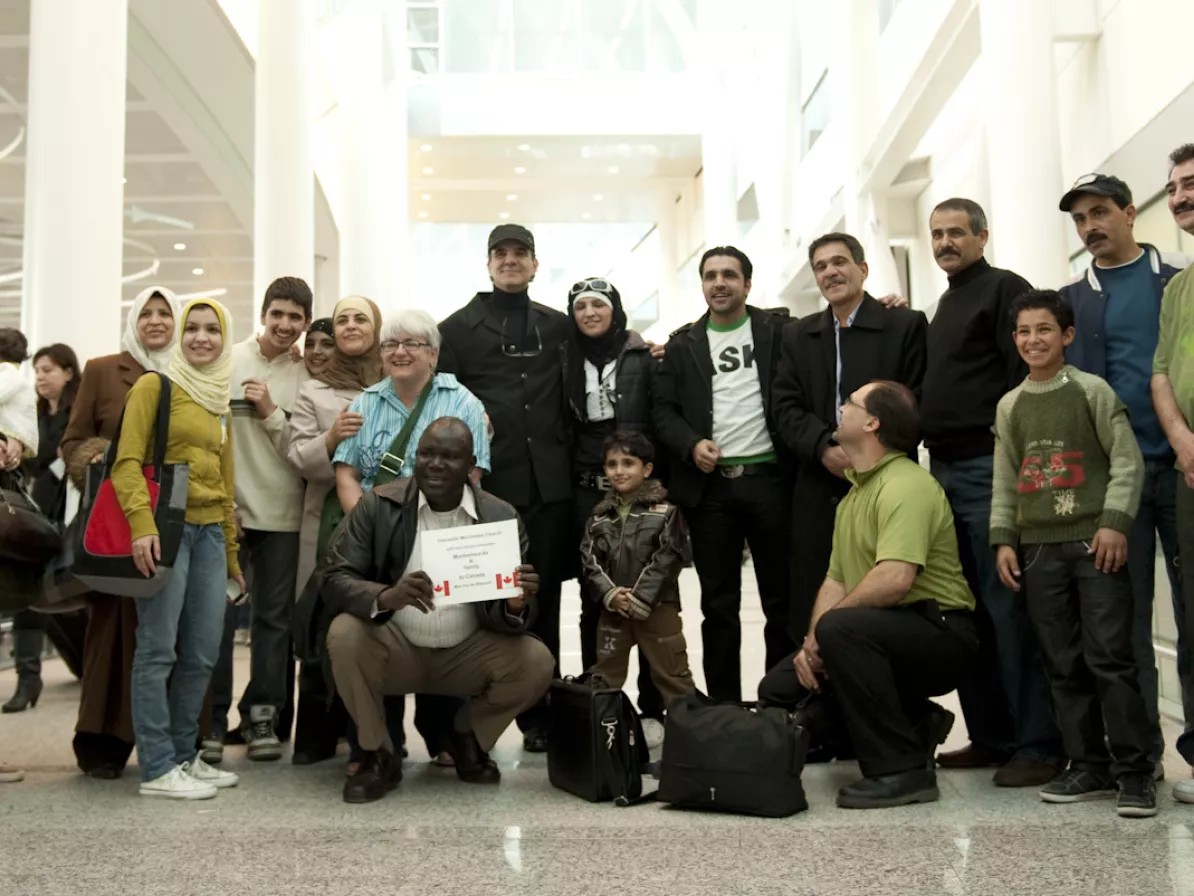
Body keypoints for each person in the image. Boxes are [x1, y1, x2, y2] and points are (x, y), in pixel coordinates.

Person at [304, 417, 554, 803]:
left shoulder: (500, 517)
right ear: (414, 457)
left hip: (464, 654)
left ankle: (467, 737)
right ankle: (378, 753)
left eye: (449, 456)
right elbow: (334, 576)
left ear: (471, 465)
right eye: (427, 454)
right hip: (395, 648)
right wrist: (387, 595)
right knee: (345, 633)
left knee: (535, 660)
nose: (435, 464)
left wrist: (516, 605)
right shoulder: (378, 504)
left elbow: (510, 613)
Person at [757, 381, 977, 809]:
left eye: (850, 404)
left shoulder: (905, 485)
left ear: (872, 422)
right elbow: (835, 580)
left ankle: (902, 770)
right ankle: (915, 724)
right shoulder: (854, 495)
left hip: (943, 633)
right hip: (885, 630)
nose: (840, 408)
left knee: (841, 628)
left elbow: (895, 579)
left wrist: (827, 631)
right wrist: (810, 645)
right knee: (780, 687)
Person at [917, 198, 1065, 787]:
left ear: (983, 236)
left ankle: (1039, 744)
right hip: (944, 471)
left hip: (988, 468)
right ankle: (990, 734)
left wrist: (1015, 474)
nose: (946, 242)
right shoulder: (947, 302)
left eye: (957, 232)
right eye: (937, 234)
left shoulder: (1006, 289)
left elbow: (1020, 381)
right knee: (964, 608)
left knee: (1009, 611)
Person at [992, 289, 1155, 818]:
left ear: (1066, 336)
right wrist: (1004, 539)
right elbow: (1005, 479)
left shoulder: (1092, 391)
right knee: (1061, 663)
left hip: (1095, 547)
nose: (1032, 340)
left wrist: (1113, 524)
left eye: (1044, 330)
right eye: (1023, 331)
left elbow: (1127, 463)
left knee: (1109, 657)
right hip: (1039, 550)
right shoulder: (1011, 405)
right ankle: (1088, 765)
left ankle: (1134, 771)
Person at [1059, 173, 1191, 776]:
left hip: (1182, 471)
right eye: (1080, 219)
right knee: (1124, 624)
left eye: (1100, 212)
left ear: (1131, 213)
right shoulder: (1071, 300)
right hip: (1115, 487)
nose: (1090, 227)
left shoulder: (1177, 281)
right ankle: (1142, 756)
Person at [437, 223, 574, 752]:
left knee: (549, 597)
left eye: (521, 253)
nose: (511, 261)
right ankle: (479, 717)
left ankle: (543, 712)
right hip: (491, 491)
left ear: (536, 264)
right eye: (501, 253)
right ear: (488, 263)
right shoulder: (458, 329)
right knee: (483, 602)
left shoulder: (559, 327)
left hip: (551, 486)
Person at [333, 309, 490, 766]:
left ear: (433, 353)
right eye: (390, 345)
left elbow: (475, 476)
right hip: (377, 537)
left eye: (412, 344)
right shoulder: (364, 403)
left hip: (441, 534)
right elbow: (347, 475)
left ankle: (447, 739)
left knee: (444, 630)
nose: (399, 352)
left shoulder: (461, 402)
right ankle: (377, 744)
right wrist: (370, 531)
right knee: (373, 626)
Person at [113, 299, 243, 800]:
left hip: (210, 533)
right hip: (165, 531)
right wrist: (141, 525)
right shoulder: (156, 384)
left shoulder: (218, 398)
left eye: (213, 329)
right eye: (193, 328)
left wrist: (231, 558)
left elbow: (226, 488)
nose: (202, 337)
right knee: (157, 649)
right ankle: (157, 766)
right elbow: (126, 461)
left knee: (204, 652)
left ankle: (185, 755)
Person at [772, 232, 927, 651]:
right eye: (820, 267)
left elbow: (914, 400)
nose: (830, 272)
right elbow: (785, 406)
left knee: (881, 601)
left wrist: (867, 454)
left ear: (863, 268)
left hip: (886, 483)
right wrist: (825, 446)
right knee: (813, 596)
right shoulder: (798, 335)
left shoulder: (904, 325)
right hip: (818, 483)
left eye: (839, 262)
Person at [653, 245, 795, 701]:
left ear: (747, 284)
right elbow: (663, 411)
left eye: (729, 275)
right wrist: (691, 444)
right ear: (702, 284)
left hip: (772, 483)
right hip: (711, 491)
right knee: (718, 605)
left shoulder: (780, 331)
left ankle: (779, 702)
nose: (719, 283)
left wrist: (889, 303)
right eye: (711, 275)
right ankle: (725, 707)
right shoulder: (683, 344)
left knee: (781, 603)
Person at [60, 286, 180, 778]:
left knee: (170, 630)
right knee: (110, 629)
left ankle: (171, 740)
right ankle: (102, 737)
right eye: (146, 313)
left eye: (164, 312)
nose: (155, 321)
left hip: (173, 520)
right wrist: (105, 460)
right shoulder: (104, 369)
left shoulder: (190, 371)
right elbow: (72, 443)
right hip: (116, 522)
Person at [566, 277, 667, 744]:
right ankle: (599, 696)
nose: (589, 312)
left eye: (598, 304)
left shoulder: (642, 356)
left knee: (648, 592)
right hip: (587, 492)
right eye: (581, 305)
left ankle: (654, 701)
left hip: (639, 491)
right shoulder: (563, 355)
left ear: (615, 310)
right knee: (597, 597)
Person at [284, 297, 380, 765]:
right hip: (328, 520)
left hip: (388, 521)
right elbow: (299, 459)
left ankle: (378, 738)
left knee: (381, 619)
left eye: (361, 318)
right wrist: (330, 438)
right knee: (322, 624)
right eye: (343, 318)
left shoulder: (396, 380)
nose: (350, 326)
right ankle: (317, 737)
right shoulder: (315, 391)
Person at [221, 276, 311, 760]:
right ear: (262, 314)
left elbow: (302, 451)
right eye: (277, 313)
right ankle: (212, 720)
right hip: (226, 513)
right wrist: (221, 503)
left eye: (295, 317)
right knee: (215, 620)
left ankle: (263, 717)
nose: (284, 324)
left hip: (282, 514)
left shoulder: (305, 376)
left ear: (306, 323)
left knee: (273, 622)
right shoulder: (227, 359)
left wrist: (272, 411)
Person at [579, 430, 695, 710]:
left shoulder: (667, 512)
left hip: (659, 609)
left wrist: (640, 598)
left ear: (647, 469)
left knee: (674, 677)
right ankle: (600, 741)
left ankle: (692, 741)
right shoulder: (598, 517)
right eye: (612, 464)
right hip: (613, 612)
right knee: (603, 680)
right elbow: (589, 560)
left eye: (628, 463)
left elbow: (668, 558)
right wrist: (610, 595)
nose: (619, 471)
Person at [1151, 142, 1194, 806]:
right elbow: (1161, 372)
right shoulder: (1179, 285)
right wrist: (1184, 441)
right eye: (1175, 187)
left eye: (1191, 182)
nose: (1182, 195)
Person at [4, 343, 79, 713]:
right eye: (37, 370)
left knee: (63, 593)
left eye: (48, 369)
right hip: (36, 510)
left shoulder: (76, 410)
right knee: (28, 592)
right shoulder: (32, 413)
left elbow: (71, 456)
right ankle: (27, 676)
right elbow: (33, 462)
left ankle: (74, 666)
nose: (40, 377)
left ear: (68, 371)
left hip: (70, 513)